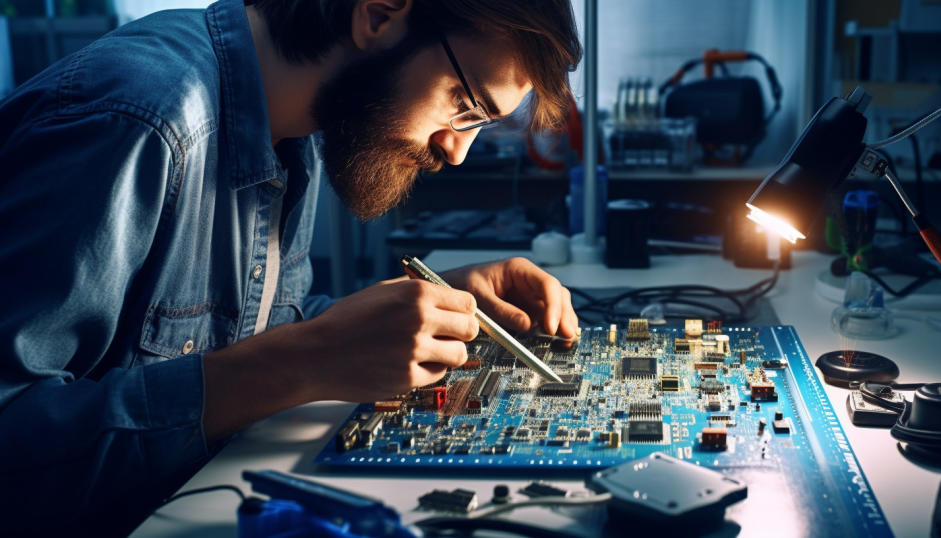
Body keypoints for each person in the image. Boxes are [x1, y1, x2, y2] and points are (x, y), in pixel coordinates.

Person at [0, 0, 581, 534]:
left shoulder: (292, 129)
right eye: (463, 104)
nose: (457, 151)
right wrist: (306, 358)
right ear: (379, 15)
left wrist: (429, 302)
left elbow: (246, 331)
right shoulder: (140, 119)